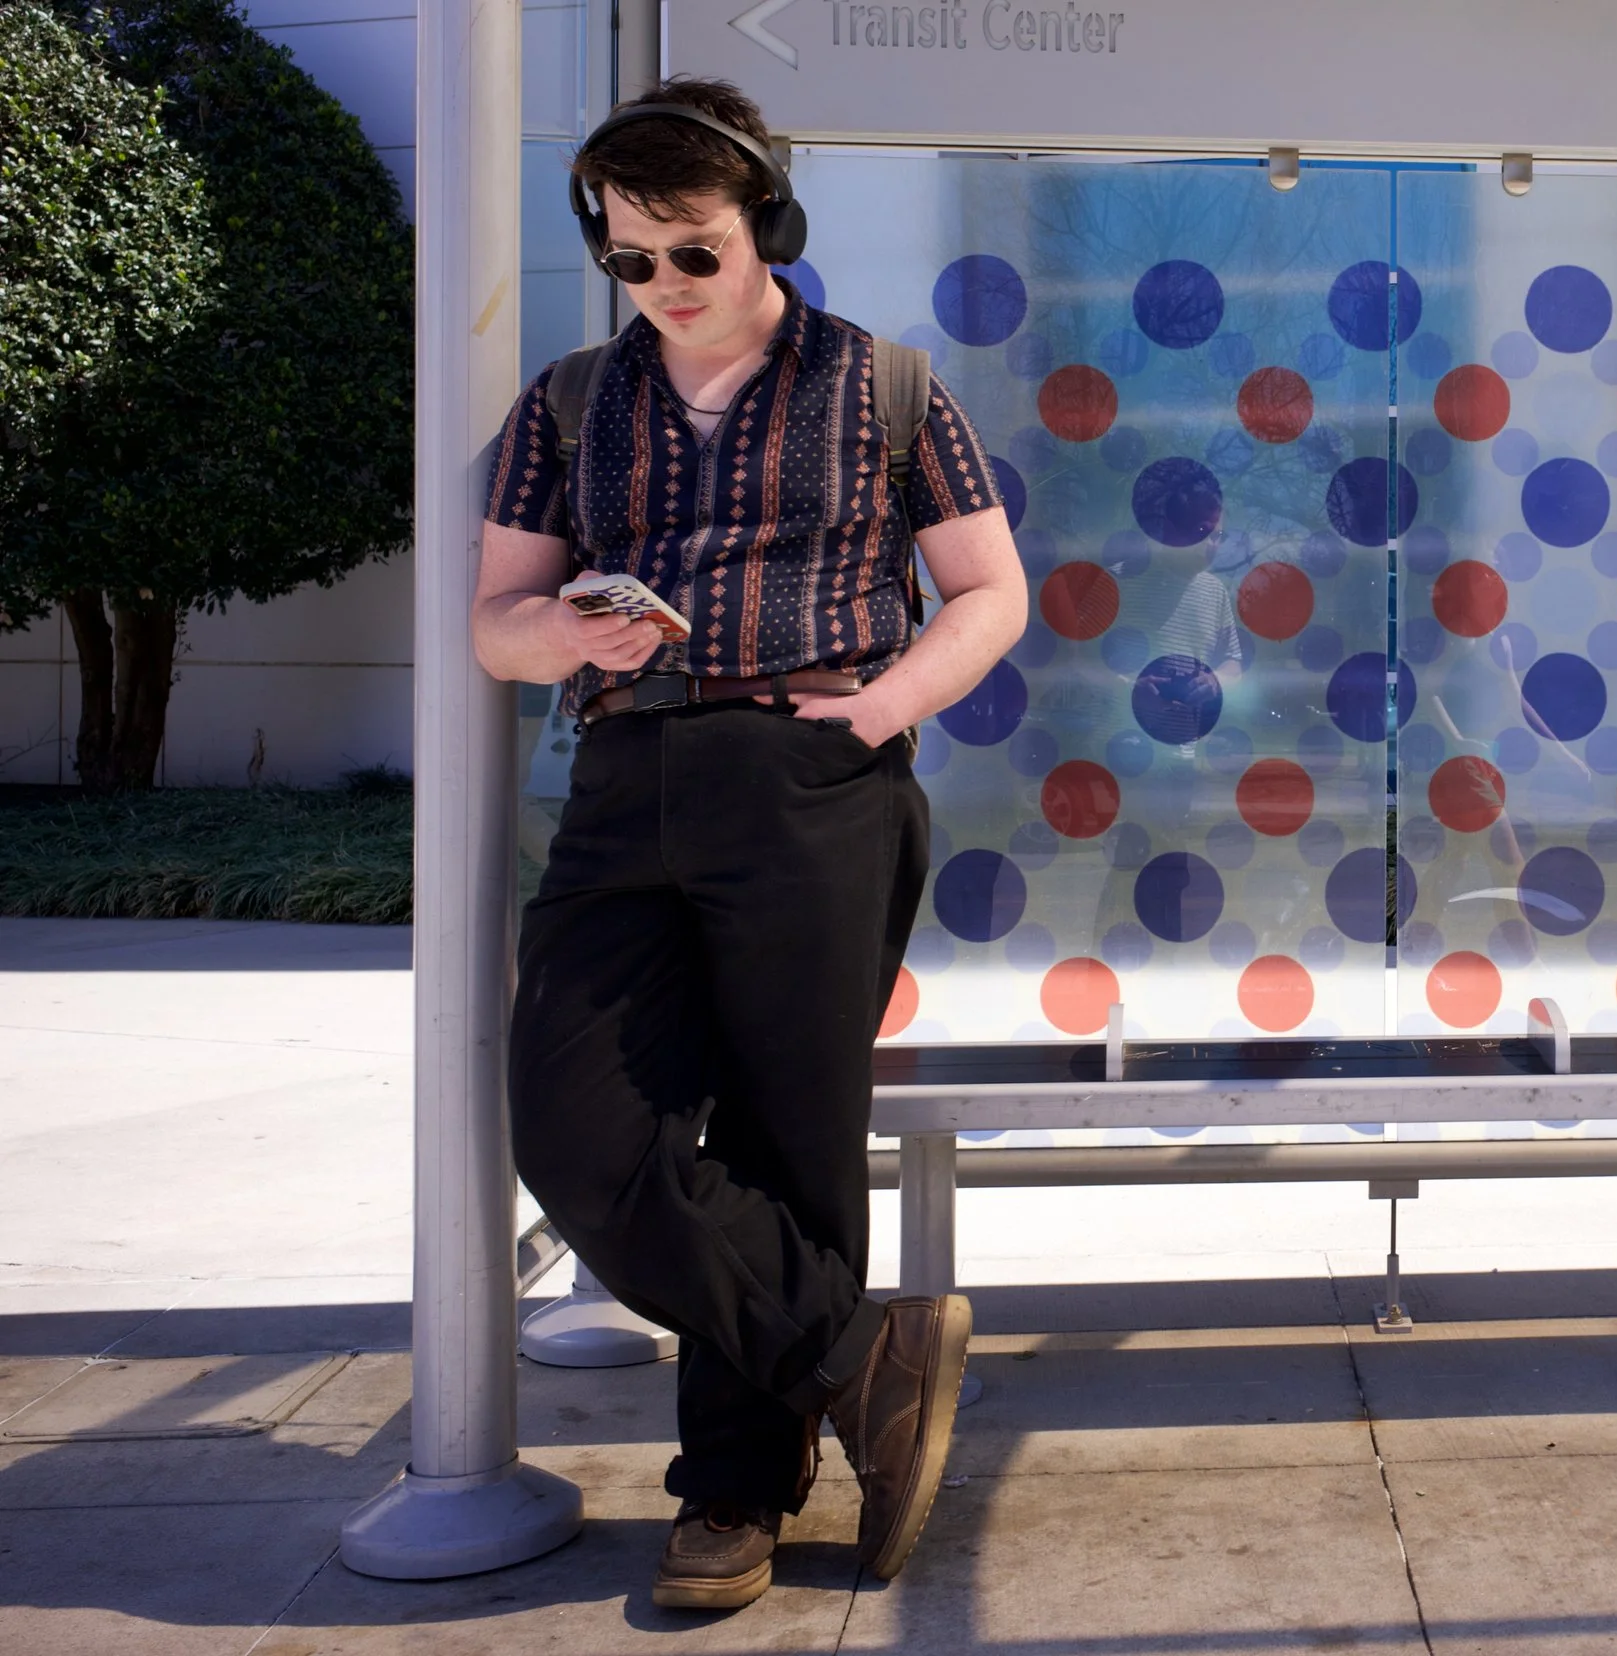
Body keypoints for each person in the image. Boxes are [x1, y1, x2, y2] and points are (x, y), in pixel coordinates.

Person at [470, 75, 1026, 1609]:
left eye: (692, 251)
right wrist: (563, 627)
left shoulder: (890, 387)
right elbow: (495, 624)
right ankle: (862, 1353)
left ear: (765, 228)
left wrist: (883, 706)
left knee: (786, 1140)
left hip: (814, 777)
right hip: (627, 779)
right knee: (576, 1131)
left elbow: (991, 592)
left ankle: (735, 1491)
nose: (662, 287)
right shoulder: (570, 404)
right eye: (631, 259)